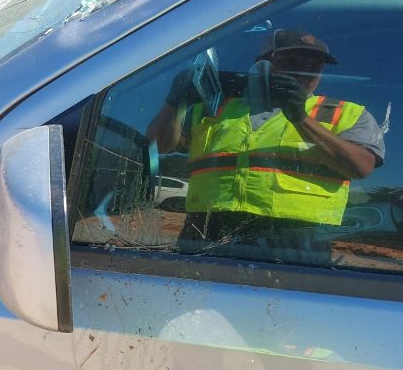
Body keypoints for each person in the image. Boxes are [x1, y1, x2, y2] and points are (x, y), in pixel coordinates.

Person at [147, 29, 386, 255]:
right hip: (205, 229)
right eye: (290, 62)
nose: (303, 72)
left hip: (297, 239)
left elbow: (361, 167)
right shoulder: (214, 106)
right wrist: (175, 100)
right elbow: (161, 145)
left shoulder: (346, 113)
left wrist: (299, 117)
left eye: (313, 66)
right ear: (262, 64)